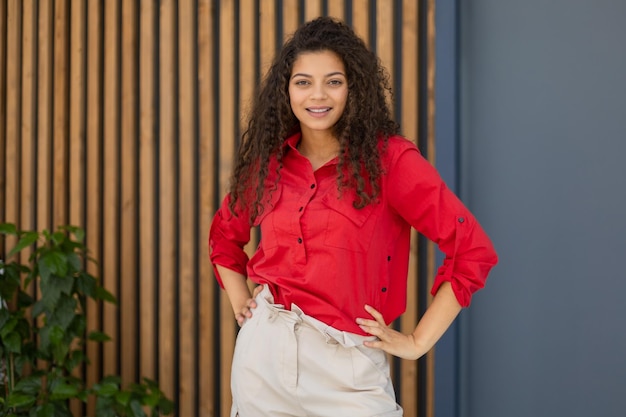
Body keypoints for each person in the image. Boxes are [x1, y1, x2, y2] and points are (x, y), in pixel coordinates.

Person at [209, 16, 497, 417]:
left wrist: (417, 342)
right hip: (263, 365)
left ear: (353, 87)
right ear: (286, 90)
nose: (317, 95)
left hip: (347, 373)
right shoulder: (269, 164)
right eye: (303, 81)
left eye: (334, 80)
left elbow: (472, 250)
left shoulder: (390, 162)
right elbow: (224, 238)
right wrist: (243, 304)